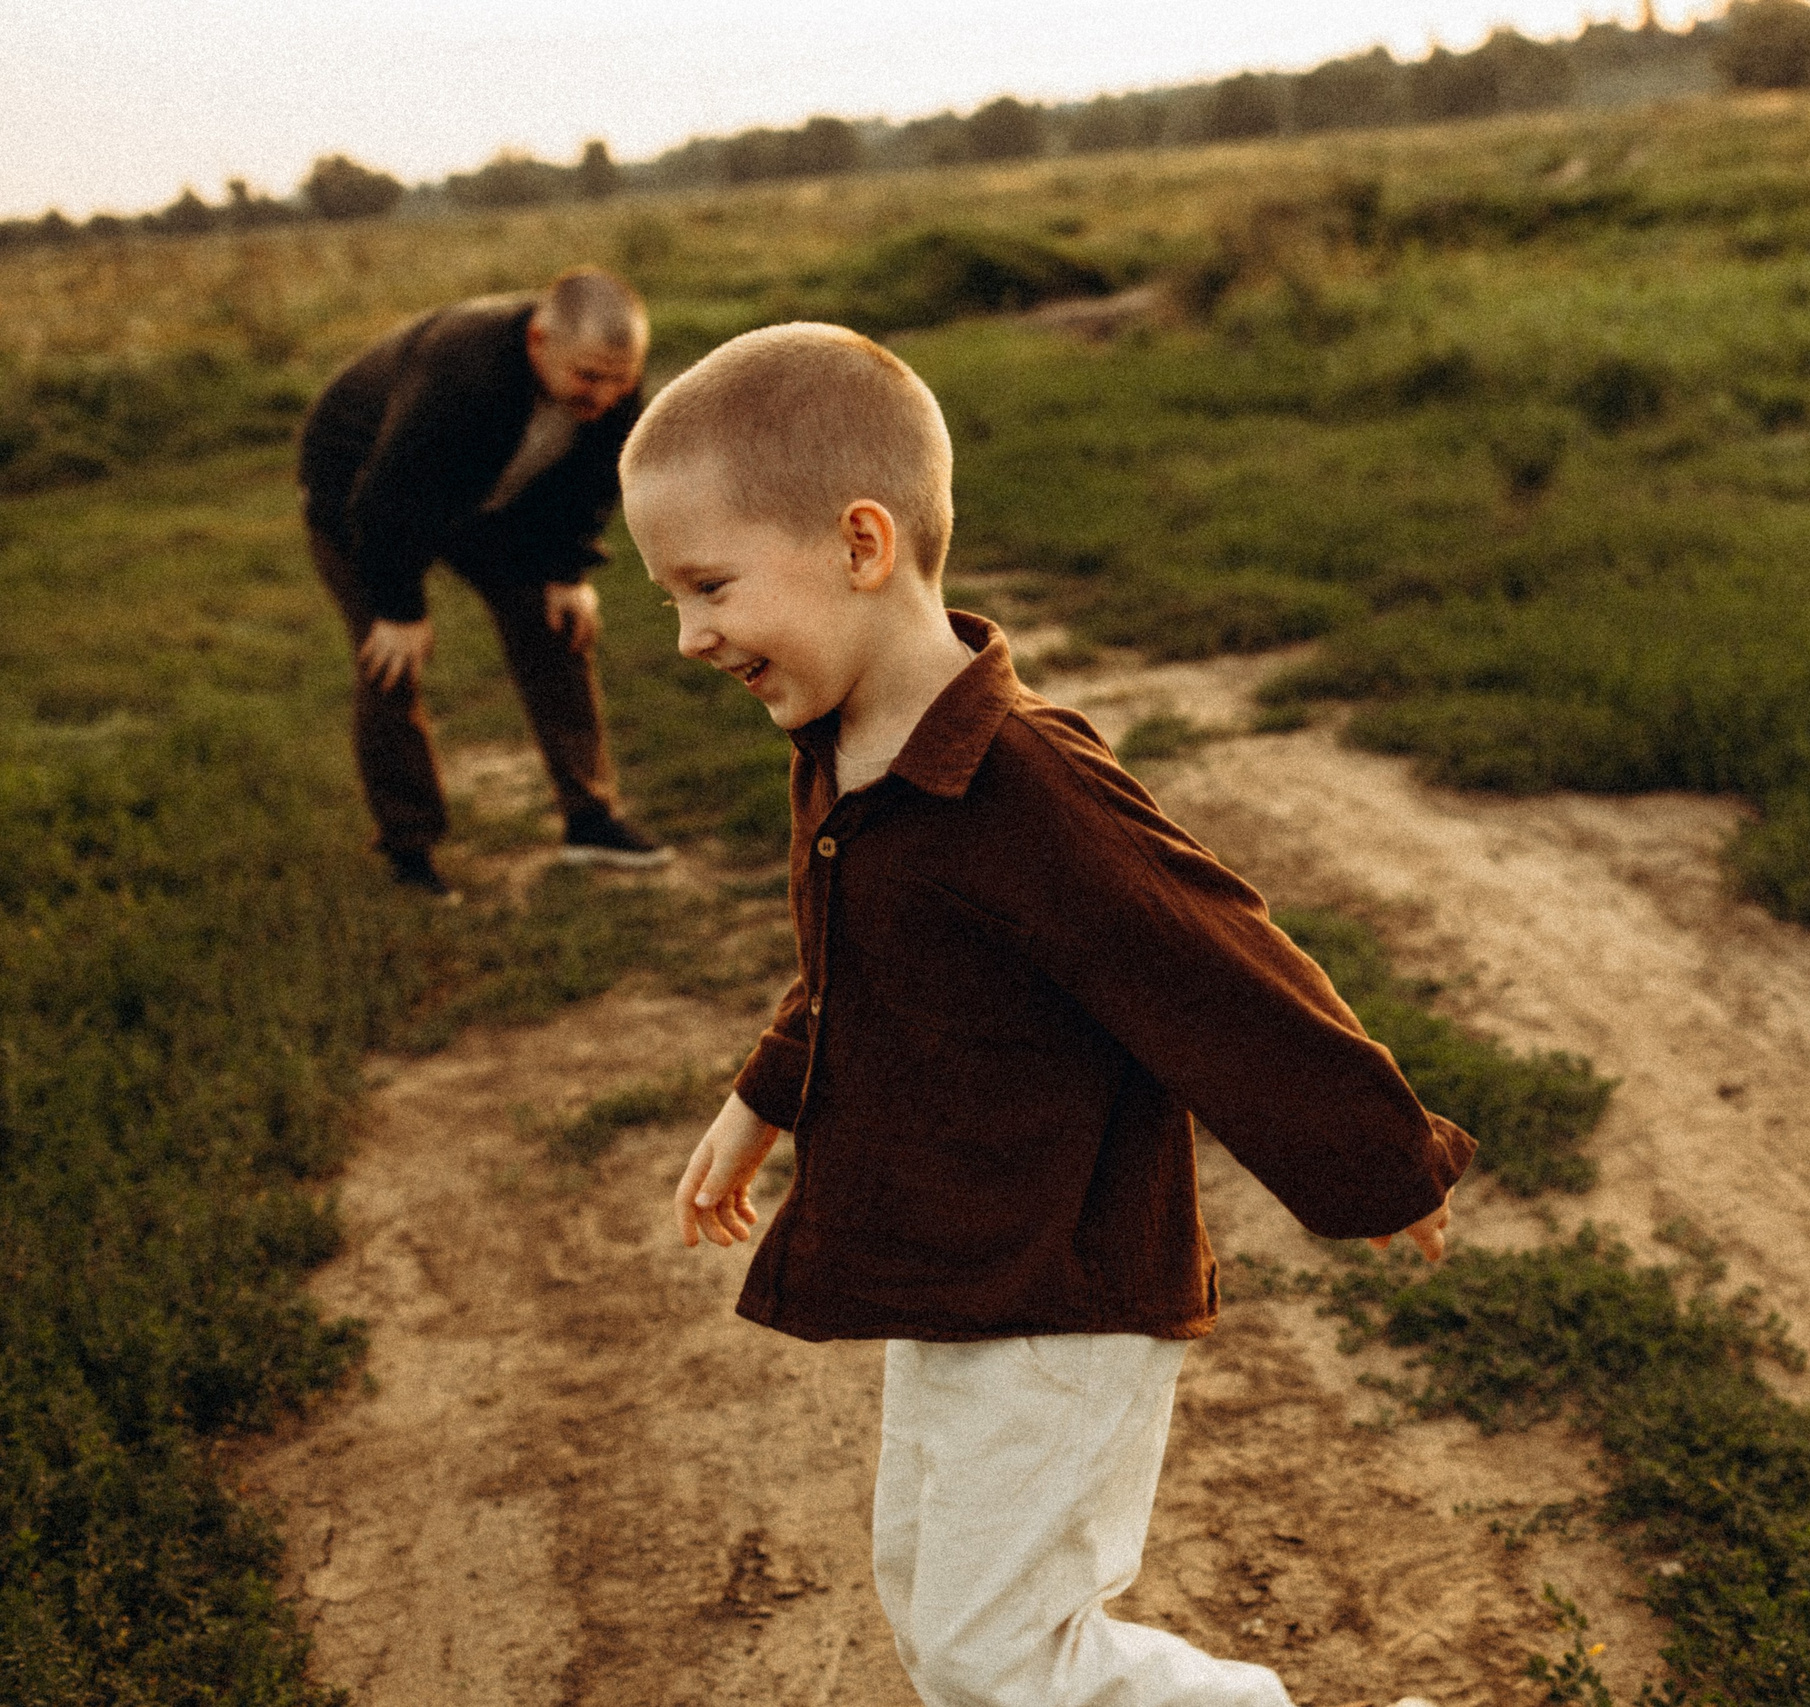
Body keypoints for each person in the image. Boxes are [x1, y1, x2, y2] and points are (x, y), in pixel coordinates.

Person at [619, 322, 1474, 1707]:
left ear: (859, 542)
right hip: (960, 1269)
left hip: (1061, 1283)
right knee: (943, 1608)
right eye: (669, 594)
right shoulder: (847, 744)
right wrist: (766, 1091)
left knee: (997, 1650)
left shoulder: (1027, 787)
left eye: (709, 584)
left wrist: (1373, 1159)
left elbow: (1217, 966)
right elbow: (863, 955)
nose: (687, 633)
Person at [299, 266, 671, 897]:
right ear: (537, 342)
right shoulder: (462, 372)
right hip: (357, 497)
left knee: (558, 626)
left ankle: (590, 817)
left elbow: (592, 485)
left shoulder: (608, 384)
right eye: (588, 378)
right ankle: (409, 849)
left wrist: (566, 571)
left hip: (484, 500)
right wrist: (397, 608)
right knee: (391, 659)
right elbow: (385, 495)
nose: (605, 396)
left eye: (620, 380)